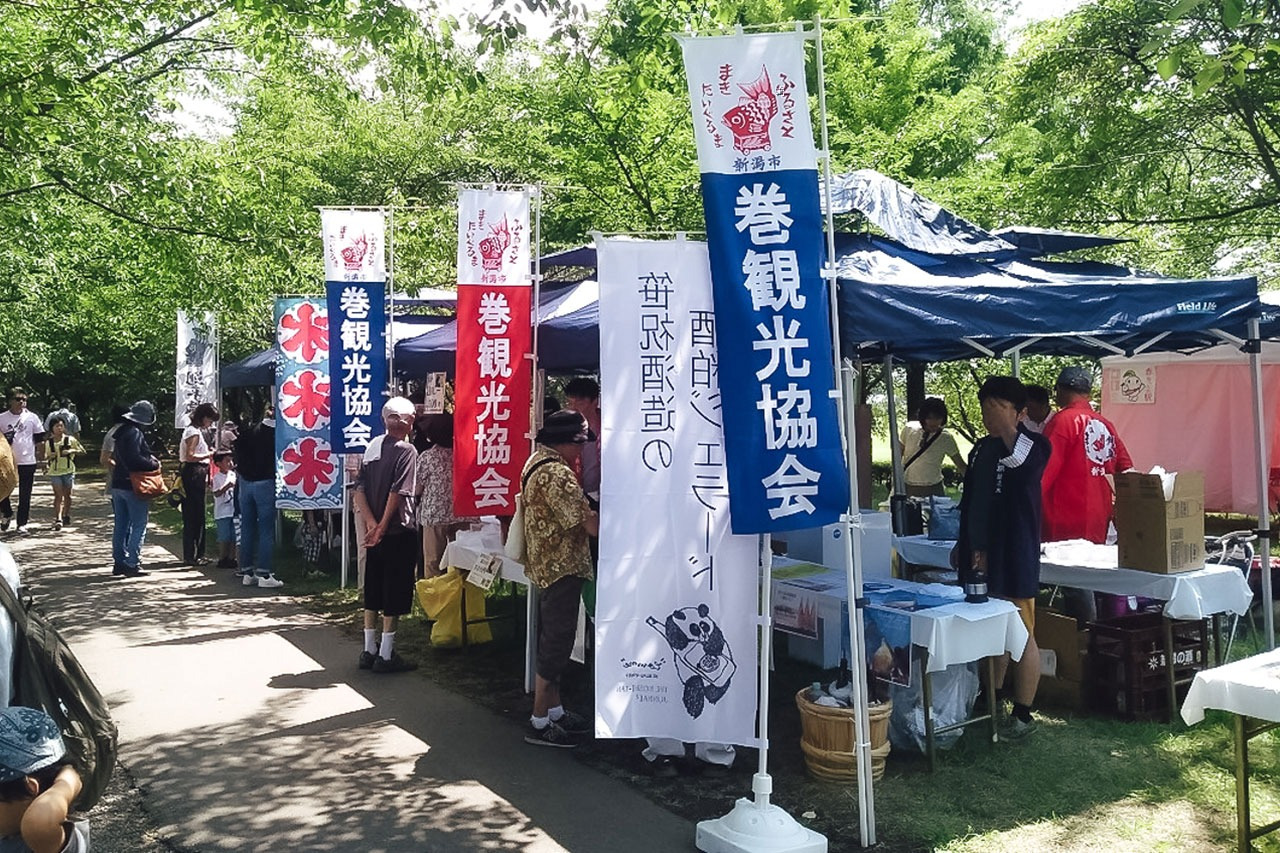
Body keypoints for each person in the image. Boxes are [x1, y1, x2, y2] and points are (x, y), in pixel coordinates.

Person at [953, 376, 1051, 740]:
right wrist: (963, 544)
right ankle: (989, 697)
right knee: (987, 628)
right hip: (979, 554)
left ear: (1021, 412)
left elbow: (1023, 469)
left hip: (1014, 552)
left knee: (1021, 633)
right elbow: (971, 499)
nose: (988, 414)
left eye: (998, 407)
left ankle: (1023, 712)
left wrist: (1008, 428)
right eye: (985, 407)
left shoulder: (1035, 445)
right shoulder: (981, 448)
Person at [520, 409, 599, 748]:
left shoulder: (535, 462)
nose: (581, 450)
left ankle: (555, 710)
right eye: (579, 444)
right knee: (557, 642)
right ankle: (539, 719)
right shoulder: (559, 475)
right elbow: (589, 526)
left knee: (553, 635)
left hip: (545, 564)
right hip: (562, 565)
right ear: (565, 442)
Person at [352, 397, 420, 674]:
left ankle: (368, 649)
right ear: (408, 422)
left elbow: (358, 489)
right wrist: (381, 526)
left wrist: (371, 524)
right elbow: (398, 491)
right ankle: (386, 653)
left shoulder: (373, 447)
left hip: (375, 533)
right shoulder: (407, 451)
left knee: (373, 587)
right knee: (395, 590)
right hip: (397, 530)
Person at [1040, 366, 1133, 544]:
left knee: (1060, 563)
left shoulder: (1061, 422)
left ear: (1061, 389)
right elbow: (1127, 469)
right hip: (1099, 518)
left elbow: (1042, 475)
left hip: (1063, 520)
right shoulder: (1106, 424)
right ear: (1088, 393)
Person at [0, 706, 88, 853]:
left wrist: (66, 783)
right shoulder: (8, 830)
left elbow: (39, 824)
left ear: (30, 789)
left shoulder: (52, 839)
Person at [413, 414, 472, 579]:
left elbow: (417, 489)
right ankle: (462, 590)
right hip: (462, 512)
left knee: (434, 561)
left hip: (434, 515)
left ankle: (436, 592)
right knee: (464, 559)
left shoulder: (428, 457)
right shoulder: (465, 454)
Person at [109, 400, 160, 577]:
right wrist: (153, 463)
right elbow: (135, 460)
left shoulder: (120, 432)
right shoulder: (135, 433)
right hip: (133, 484)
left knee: (121, 525)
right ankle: (132, 563)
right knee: (139, 524)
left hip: (117, 483)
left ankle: (119, 562)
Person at [234, 411, 283, 589]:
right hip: (266, 483)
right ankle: (264, 573)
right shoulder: (278, 435)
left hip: (245, 484)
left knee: (247, 527)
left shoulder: (248, 432)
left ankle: (247, 572)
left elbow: (236, 456)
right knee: (266, 530)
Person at [899, 397, 967, 497]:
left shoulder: (946, 438)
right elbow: (897, 455)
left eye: (938, 418)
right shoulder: (909, 429)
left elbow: (960, 464)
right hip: (908, 487)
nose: (934, 422)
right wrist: (895, 480)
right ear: (923, 417)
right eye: (930, 417)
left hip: (934, 489)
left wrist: (974, 483)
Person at [0, 389, 46, 535]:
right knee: (2, 491)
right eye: (18, 399)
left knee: (25, 494)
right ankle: (7, 512)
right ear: (10, 401)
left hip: (27, 461)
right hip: (7, 463)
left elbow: (40, 440)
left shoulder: (32, 418)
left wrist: (42, 458)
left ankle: (22, 524)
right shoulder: (2, 418)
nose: (21, 402)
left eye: (24, 399)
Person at [178, 403, 218, 566]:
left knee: (195, 514)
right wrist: (209, 454)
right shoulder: (193, 432)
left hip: (196, 472)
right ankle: (194, 554)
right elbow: (190, 455)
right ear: (203, 417)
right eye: (210, 420)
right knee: (195, 514)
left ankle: (194, 553)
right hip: (193, 472)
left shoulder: (195, 431)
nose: (210, 424)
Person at [564, 377, 601, 507]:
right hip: (576, 495)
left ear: (595, 402)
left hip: (606, 493)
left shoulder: (608, 425)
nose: (573, 409)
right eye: (569, 403)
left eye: (580, 404)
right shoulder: (565, 429)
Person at [43, 417, 83, 531]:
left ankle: (66, 514)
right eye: (57, 426)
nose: (59, 428)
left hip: (68, 470)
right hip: (55, 471)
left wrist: (71, 451)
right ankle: (58, 518)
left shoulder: (70, 440)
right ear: (52, 429)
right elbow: (46, 456)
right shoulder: (49, 442)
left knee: (68, 495)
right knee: (58, 495)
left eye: (61, 426)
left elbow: (82, 451)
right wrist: (49, 457)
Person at [211, 451, 239, 569]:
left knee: (234, 536)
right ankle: (222, 558)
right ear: (218, 464)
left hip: (233, 510)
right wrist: (227, 486)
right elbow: (216, 493)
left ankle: (232, 558)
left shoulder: (233, 474)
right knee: (224, 536)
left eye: (231, 460)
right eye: (227, 461)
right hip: (222, 512)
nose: (230, 463)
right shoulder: (216, 478)